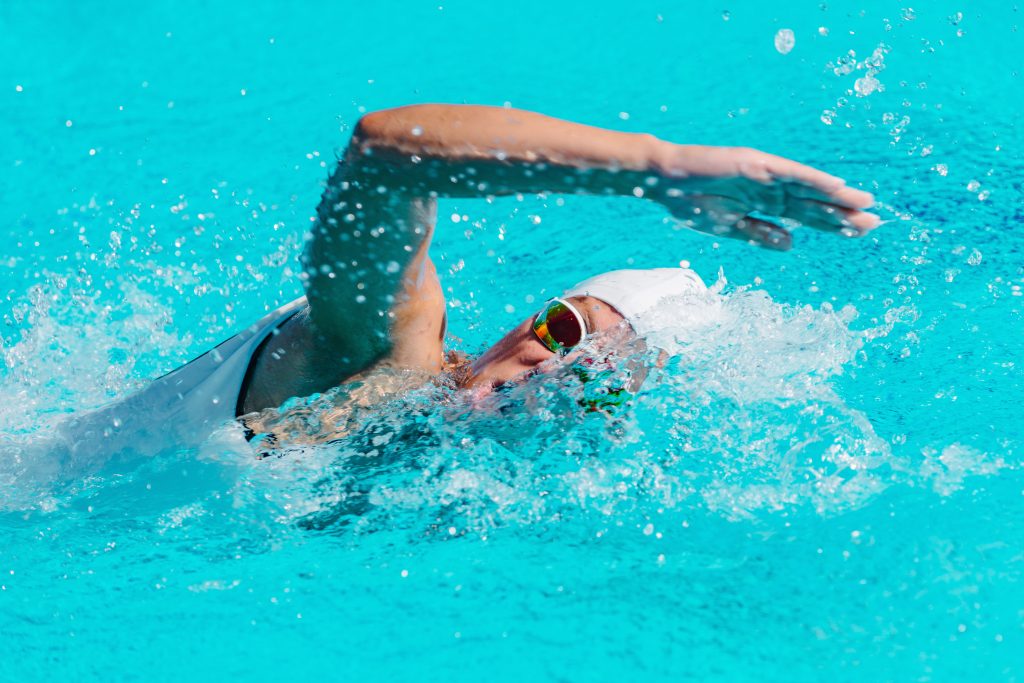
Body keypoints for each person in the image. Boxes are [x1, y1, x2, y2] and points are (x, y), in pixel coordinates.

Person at [61, 103, 879, 458]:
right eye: (565, 331)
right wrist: (653, 168)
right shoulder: (390, 351)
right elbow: (384, 152)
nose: (551, 375)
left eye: (595, 388)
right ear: (529, 318)